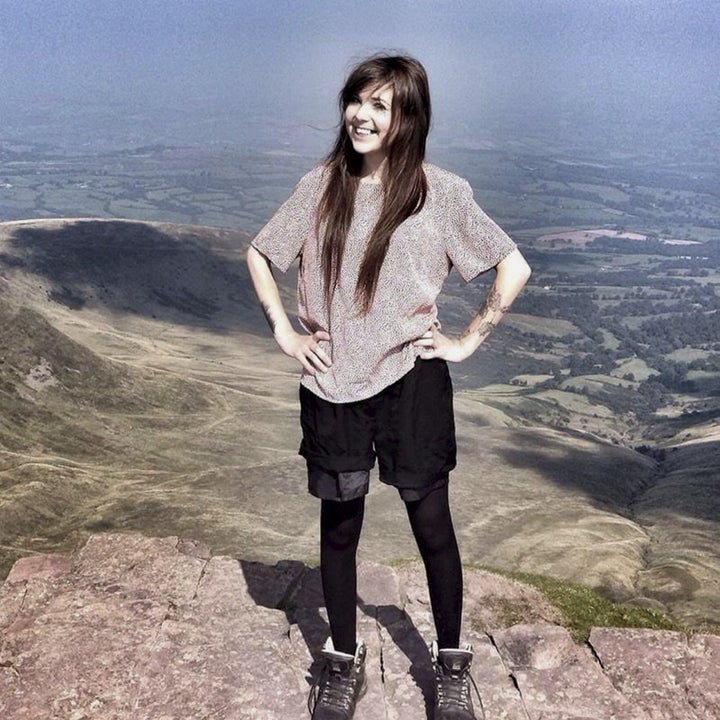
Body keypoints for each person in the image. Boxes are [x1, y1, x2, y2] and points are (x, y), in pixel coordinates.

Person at [246, 54, 531, 720]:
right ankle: (342, 662)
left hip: (413, 383)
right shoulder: (321, 185)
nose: (364, 116)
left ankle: (453, 664)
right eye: (358, 101)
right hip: (332, 383)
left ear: (409, 119)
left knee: (431, 524)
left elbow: (512, 267)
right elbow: (260, 252)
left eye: (383, 105)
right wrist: (285, 333)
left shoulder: (440, 192)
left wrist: (468, 339)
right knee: (340, 526)